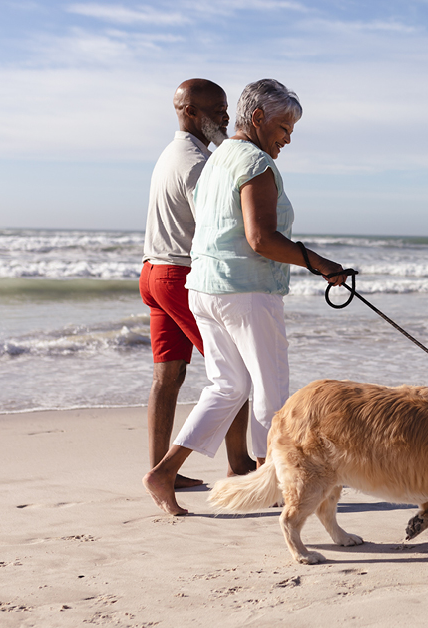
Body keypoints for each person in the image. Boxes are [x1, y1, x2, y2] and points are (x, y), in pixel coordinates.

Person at [143, 78, 347, 515]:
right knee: (270, 391)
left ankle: (163, 472)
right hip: (246, 292)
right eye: (284, 127)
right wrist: (323, 266)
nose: (288, 138)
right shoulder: (254, 161)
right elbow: (261, 239)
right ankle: (270, 481)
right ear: (257, 118)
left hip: (204, 287)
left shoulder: (216, 159)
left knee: (228, 387)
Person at [140, 78, 254, 489]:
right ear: (189, 111)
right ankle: (240, 464)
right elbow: (215, 228)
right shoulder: (198, 164)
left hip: (153, 271)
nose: (225, 117)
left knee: (168, 377)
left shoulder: (171, 154)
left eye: (225, 109)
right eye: (216, 110)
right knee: (235, 372)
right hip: (181, 275)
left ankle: (160, 469)